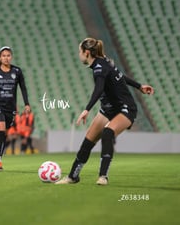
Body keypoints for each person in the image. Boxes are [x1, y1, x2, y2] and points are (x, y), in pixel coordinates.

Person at [55, 38, 154, 185]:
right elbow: (120, 76)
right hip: (108, 108)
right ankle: (72, 177)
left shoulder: (99, 68)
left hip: (125, 108)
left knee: (108, 132)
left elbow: (99, 88)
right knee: (88, 141)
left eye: (79, 52)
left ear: (86, 53)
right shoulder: (104, 61)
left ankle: (103, 176)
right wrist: (139, 86)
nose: (79, 55)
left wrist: (86, 109)